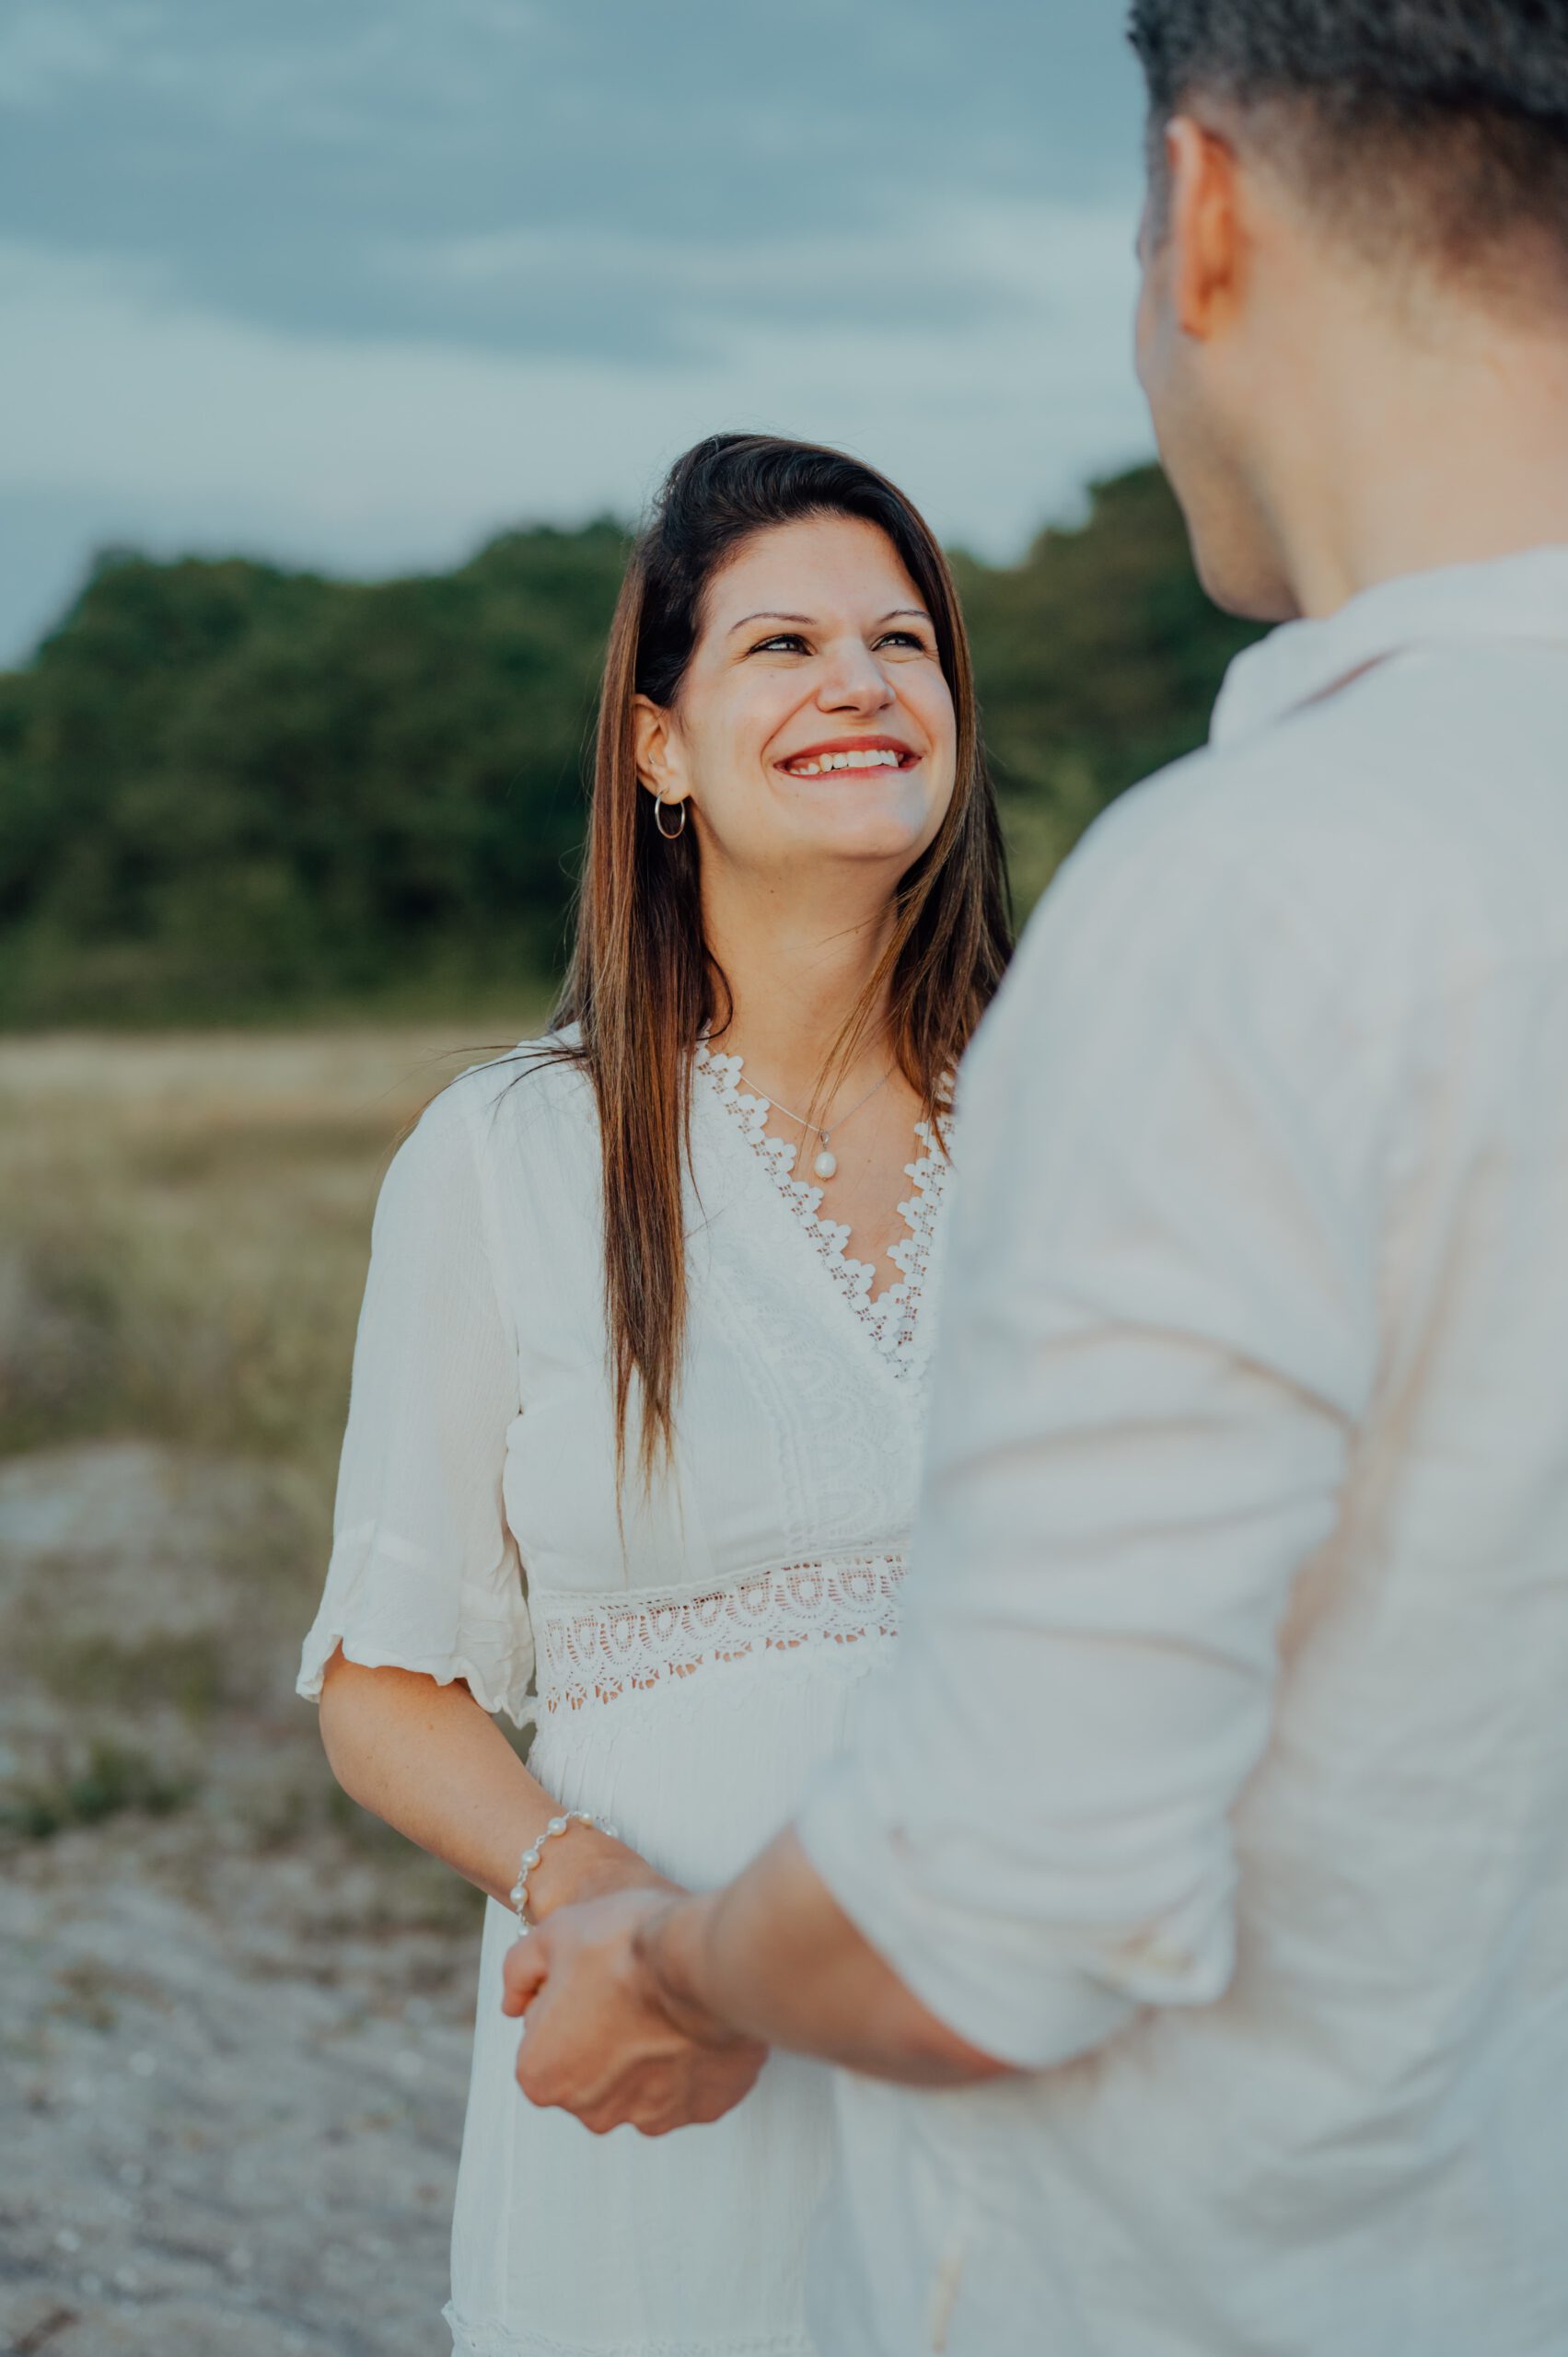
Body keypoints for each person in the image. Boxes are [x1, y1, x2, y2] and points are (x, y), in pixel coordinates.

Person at [503, 6, 1568, 2352]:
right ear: (660, 738)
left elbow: (997, 1906)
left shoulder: (1251, 898)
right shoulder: (515, 1151)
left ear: (1204, 215)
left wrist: (671, 1954)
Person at [295, 432, 1011, 2355]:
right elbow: (381, 1676)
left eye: (902, 640)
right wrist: (602, 1897)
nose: (862, 682)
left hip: (1027, 2022)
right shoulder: (510, 1152)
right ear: (659, 746)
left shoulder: (1082, 1102)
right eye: (781, 644)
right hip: (677, 2045)